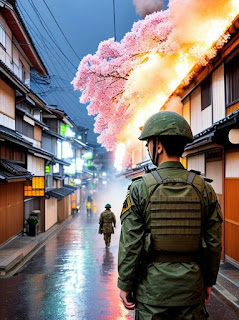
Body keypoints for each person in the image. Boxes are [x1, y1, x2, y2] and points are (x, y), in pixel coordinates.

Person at [117, 111, 222, 320]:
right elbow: (213, 242)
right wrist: (208, 281)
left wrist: (125, 284)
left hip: (152, 293)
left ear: (158, 146)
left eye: (148, 144)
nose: (148, 148)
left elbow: (131, 243)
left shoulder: (140, 189)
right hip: (191, 290)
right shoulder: (204, 189)